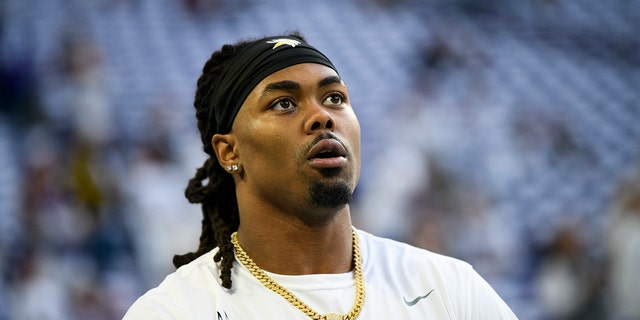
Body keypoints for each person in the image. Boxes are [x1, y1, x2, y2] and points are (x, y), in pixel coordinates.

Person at [123, 33, 517, 319]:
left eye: (335, 98)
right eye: (283, 103)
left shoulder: (448, 288)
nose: (323, 116)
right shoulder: (175, 311)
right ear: (230, 152)